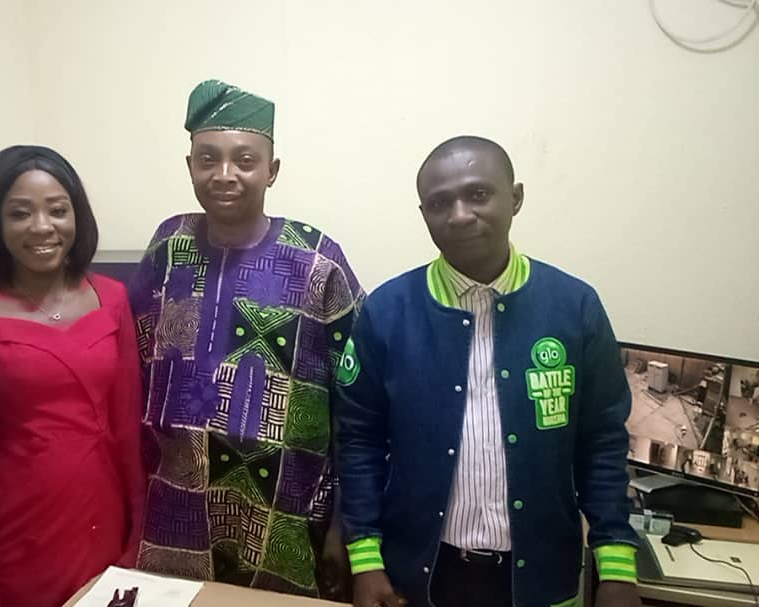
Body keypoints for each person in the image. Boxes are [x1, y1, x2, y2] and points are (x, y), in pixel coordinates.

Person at [334, 135, 641, 607]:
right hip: (417, 575)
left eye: (478, 194)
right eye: (440, 203)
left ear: (515, 198)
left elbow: (602, 442)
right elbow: (359, 441)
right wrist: (366, 561)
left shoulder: (574, 306)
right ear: (423, 214)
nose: (459, 215)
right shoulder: (388, 311)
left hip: (542, 577)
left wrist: (616, 570)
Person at [129, 79, 362, 599]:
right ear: (189, 165)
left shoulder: (316, 260)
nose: (224, 174)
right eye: (207, 159)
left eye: (245, 160)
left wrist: (346, 524)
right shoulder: (168, 244)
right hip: (174, 509)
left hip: (284, 515)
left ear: (272, 170)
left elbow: (360, 401)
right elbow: (132, 367)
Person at [0, 145, 144, 607]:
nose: (41, 227)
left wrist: (137, 532)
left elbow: (127, 426)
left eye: (57, 210)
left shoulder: (112, 298)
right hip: (13, 530)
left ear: (77, 216)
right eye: (19, 213)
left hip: (101, 516)